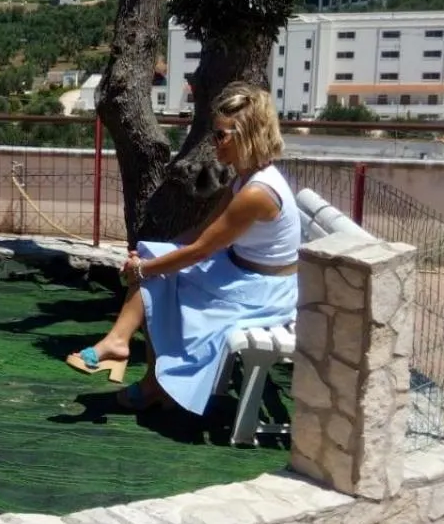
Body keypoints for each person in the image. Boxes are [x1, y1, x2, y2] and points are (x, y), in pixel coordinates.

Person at [66, 81, 300, 413]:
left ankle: (141, 370)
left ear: (247, 135)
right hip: (242, 272)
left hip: (261, 291)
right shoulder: (245, 178)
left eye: (220, 135)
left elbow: (202, 250)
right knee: (152, 261)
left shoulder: (256, 193)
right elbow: (202, 232)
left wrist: (144, 269)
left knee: (154, 274)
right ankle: (125, 350)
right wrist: (151, 258)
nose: (213, 143)